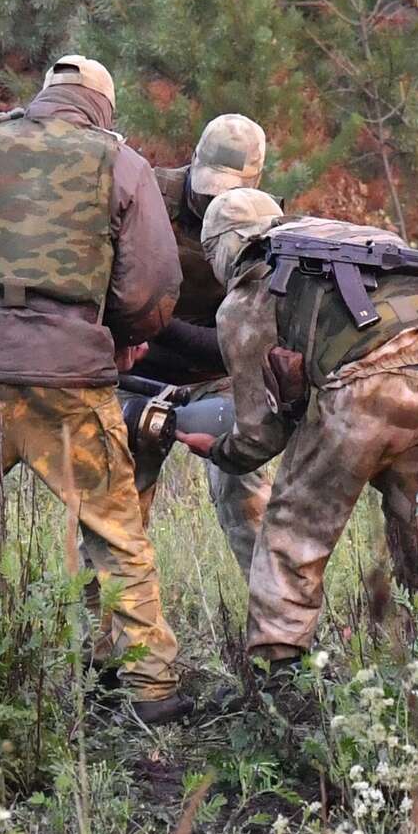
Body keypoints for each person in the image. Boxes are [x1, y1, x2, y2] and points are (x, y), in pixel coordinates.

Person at [0, 54, 189, 723]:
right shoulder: (120, 162)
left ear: (46, 96)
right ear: (101, 106)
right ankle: (150, 687)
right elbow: (154, 286)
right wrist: (117, 331)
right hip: (68, 375)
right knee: (115, 528)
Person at [174, 189, 418, 666]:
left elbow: (259, 434)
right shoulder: (360, 238)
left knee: (293, 533)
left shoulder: (249, 295)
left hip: (367, 388)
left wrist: (221, 451)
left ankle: (279, 667)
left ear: (222, 246)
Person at [129, 115, 274, 575]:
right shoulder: (144, 195)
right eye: (206, 186)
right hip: (139, 370)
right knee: (116, 508)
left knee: (246, 494)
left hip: (219, 373)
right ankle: (102, 633)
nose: (211, 200)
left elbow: (254, 334)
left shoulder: (266, 223)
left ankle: (283, 628)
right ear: (192, 160)